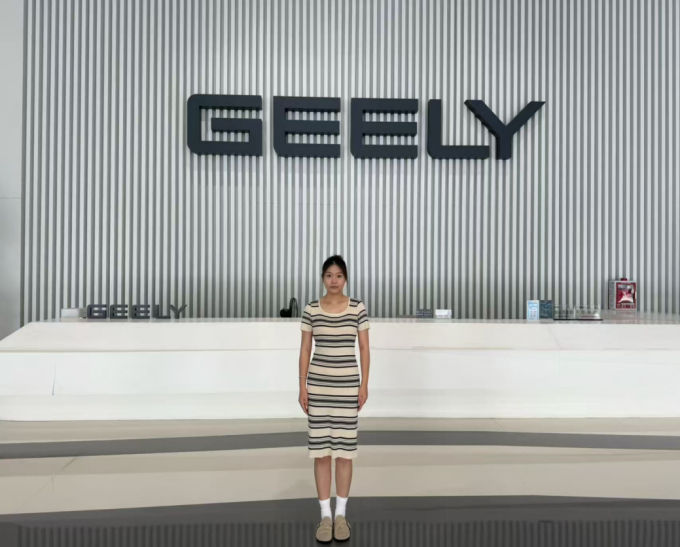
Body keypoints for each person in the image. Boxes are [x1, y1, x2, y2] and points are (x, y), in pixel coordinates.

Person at [298, 255, 371, 543]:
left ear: (346, 278)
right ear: (322, 278)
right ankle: (325, 516)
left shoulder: (357, 308)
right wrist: (302, 386)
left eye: (339, 275)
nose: (334, 280)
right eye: (329, 275)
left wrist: (364, 384)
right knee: (321, 453)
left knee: (344, 452)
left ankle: (341, 515)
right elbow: (305, 349)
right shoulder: (311, 309)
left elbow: (364, 348)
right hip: (318, 389)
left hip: (347, 390)